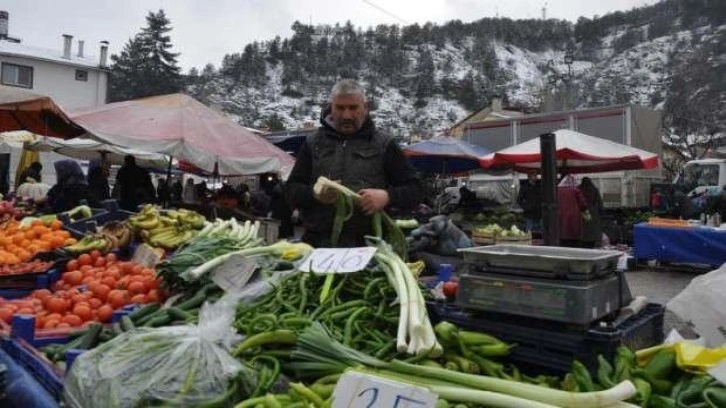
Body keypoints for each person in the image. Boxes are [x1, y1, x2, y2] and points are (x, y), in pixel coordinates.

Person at [284, 79, 422, 247]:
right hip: (319, 243)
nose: (346, 115)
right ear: (331, 108)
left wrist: (387, 196)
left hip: (369, 245)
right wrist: (314, 194)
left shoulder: (384, 144)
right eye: (340, 108)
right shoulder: (313, 143)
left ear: (365, 108)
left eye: (353, 108)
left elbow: (416, 190)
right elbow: (291, 190)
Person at [557, 174, 589, 247]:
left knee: (563, 233)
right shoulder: (575, 190)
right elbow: (583, 203)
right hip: (574, 216)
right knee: (573, 234)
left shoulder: (558, 190)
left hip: (561, 215)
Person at [579, 177, 604, 248]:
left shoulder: (578, 189)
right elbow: (600, 205)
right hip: (593, 216)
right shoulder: (594, 190)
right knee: (592, 236)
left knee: (583, 234)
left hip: (582, 215)